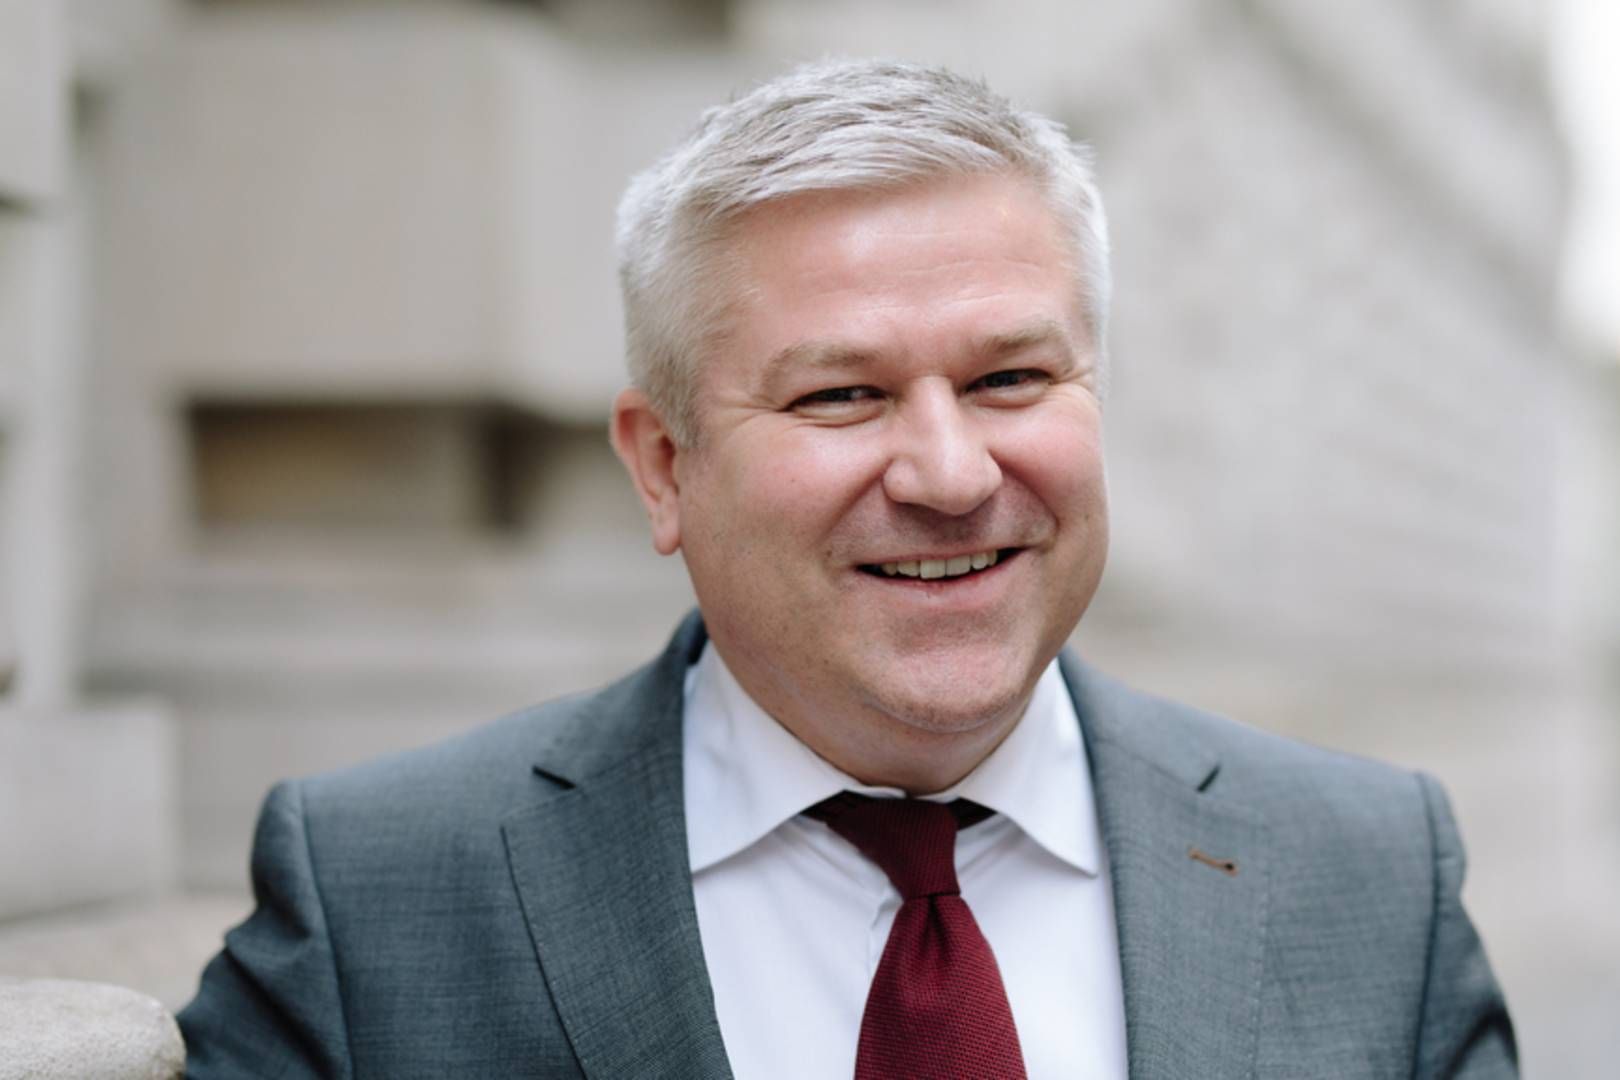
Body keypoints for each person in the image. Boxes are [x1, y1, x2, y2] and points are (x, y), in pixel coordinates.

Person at [178, 59, 1516, 1078]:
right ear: (663, 467)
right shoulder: (373, 907)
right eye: (839, 398)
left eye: (1009, 377)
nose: (948, 475)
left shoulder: (1371, 880)